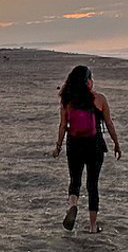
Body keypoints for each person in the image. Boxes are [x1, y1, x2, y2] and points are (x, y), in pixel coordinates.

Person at [52, 65, 121, 233]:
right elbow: (109, 124)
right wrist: (116, 144)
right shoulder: (99, 99)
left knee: (75, 180)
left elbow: (62, 126)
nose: (93, 81)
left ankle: (73, 205)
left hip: (74, 145)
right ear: (87, 81)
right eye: (91, 78)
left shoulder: (67, 100)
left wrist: (58, 146)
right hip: (94, 145)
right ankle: (92, 226)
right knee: (92, 184)